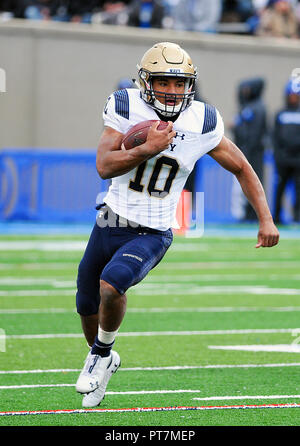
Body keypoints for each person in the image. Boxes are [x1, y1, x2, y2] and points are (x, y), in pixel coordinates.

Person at [75, 42, 279, 408]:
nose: (173, 90)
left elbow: (242, 167)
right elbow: (105, 165)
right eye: (164, 82)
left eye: (180, 83)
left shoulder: (201, 120)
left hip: (152, 230)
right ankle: (103, 357)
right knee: (86, 302)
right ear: (146, 82)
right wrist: (145, 148)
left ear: (190, 85)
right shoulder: (126, 104)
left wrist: (265, 218)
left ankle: (102, 352)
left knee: (111, 286)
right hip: (109, 219)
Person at [232, 77, 267, 221]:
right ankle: (244, 214)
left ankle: (251, 214)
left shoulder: (258, 108)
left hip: (252, 153)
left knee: (252, 181)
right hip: (244, 151)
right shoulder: (246, 107)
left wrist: (247, 149)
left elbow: (254, 133)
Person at [273, 78, 300, 223]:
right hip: (283, 159)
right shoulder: (280, 114)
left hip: (298, 160)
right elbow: (275, 137)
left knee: (298, 190)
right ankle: (277, 216)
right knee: (280, 189)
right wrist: (278, 157)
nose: (293, 98)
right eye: (291, 95)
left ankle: (297, 217)